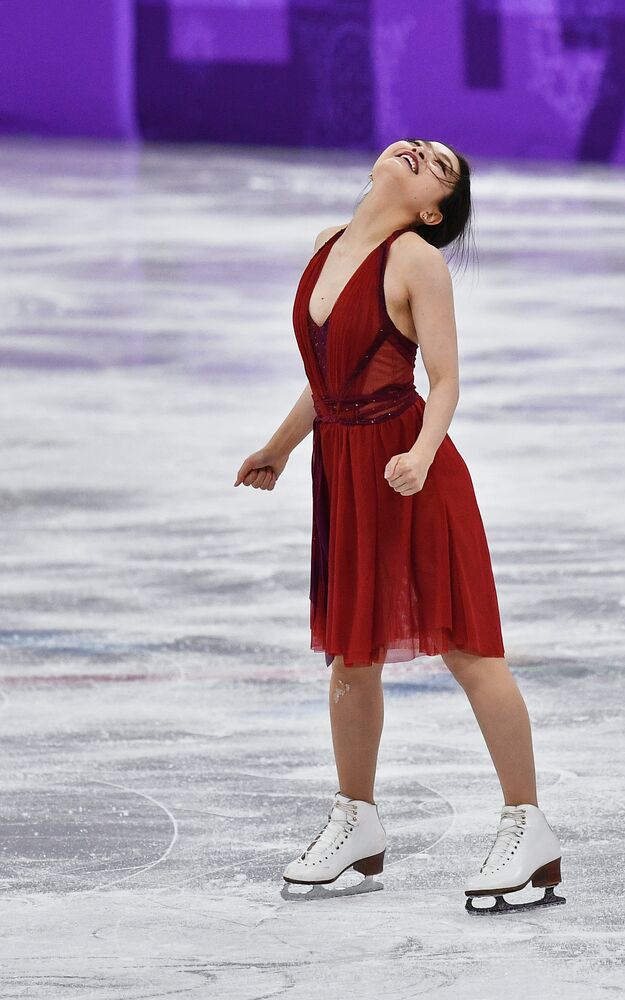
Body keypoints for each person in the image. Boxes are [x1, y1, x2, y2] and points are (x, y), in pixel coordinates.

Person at [235, 138, 563, 913]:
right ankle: (357, 822)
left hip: (411, 472)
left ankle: (529, 825)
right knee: (352, 654)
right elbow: (329, 381)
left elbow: (444, 378)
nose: (420, 151)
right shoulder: (325, 248)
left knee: (468, 649)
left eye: (439, 165)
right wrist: (280, 448)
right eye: (419, 146)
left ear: (432, 209)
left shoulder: (415, 259)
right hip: (345, 472)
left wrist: (420, 453)